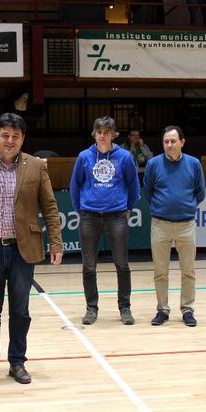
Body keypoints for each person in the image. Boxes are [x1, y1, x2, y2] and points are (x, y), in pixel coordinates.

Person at [0, 113, 63, 385]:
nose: (10, 141)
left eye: (15, 136)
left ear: (23, 138)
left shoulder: (36, 166)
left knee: (20, 311)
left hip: (22, 249)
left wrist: (56, 242)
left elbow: (49, 206)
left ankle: (17, 362)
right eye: (5, 135)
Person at [70, 116, 140, 326]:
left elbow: (133, 185)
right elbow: (75, 185)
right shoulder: (84, 157)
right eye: (99, 131)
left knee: (122, 264)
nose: (102, 135)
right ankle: (91, 308)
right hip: (90, 216)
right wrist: (80, 210)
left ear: (113, 134)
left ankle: (125, 307)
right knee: (89, 266)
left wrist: (128, 208)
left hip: (116, 216)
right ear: (94, 134)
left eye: (106, 132)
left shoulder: (125, 157)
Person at [143, 125, 206, 327]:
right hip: (160, 224)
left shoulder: (194, 164)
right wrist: (159, 208)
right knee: (160, 271)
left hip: (186, 225)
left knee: (188, 270)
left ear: (182, 142)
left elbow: (200, 192)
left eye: (173, 141)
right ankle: (162, 309)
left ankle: (187, 309)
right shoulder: (153, 164)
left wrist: (186, 207)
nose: (169, 145)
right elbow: (147, 192)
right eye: (166, 142)